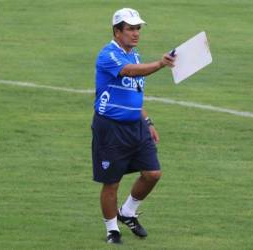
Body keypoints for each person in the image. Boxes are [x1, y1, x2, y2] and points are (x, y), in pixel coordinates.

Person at [91, 7, 175, 244]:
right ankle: (112, 230)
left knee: (153, 173)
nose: (136, 33)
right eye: (130, 29)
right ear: (117, 32)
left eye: (138, 28)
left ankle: (127, 212)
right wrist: (160, 64)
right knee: (112, 181)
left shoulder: (134, 55)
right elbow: (129, 72)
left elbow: (134, 95)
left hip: (136, 125)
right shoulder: (108, 55)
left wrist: (147, 121)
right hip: (111, 127)